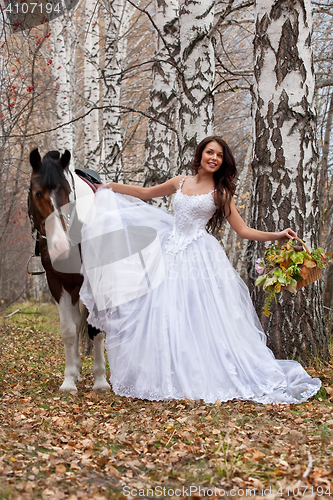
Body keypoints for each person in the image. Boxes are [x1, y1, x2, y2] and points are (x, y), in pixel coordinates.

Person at [80, 136, 321, 404]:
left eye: (219, 155)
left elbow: (242, 231)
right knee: (163, 311)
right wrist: (110, 187)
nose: (214, 158)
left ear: (223, 162)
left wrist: (277, 235)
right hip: (168, 251)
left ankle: (201, 373)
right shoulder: (180, 182)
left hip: (200, 257)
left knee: (198, 315)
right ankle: (165, 373)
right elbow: (146, 193)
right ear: (201, 154)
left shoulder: (221, 194)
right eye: (210, 152)